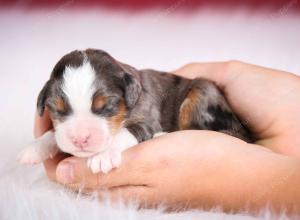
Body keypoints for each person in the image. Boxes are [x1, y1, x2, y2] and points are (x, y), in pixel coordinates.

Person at [36, 61, 300, 214]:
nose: (80, 133)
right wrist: (48, 141)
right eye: (59, 112)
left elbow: (141, 127)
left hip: (208, 119)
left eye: (105, 107)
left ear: (128, 92)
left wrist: (253, 179)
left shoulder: (139, 99)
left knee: (200, 94)